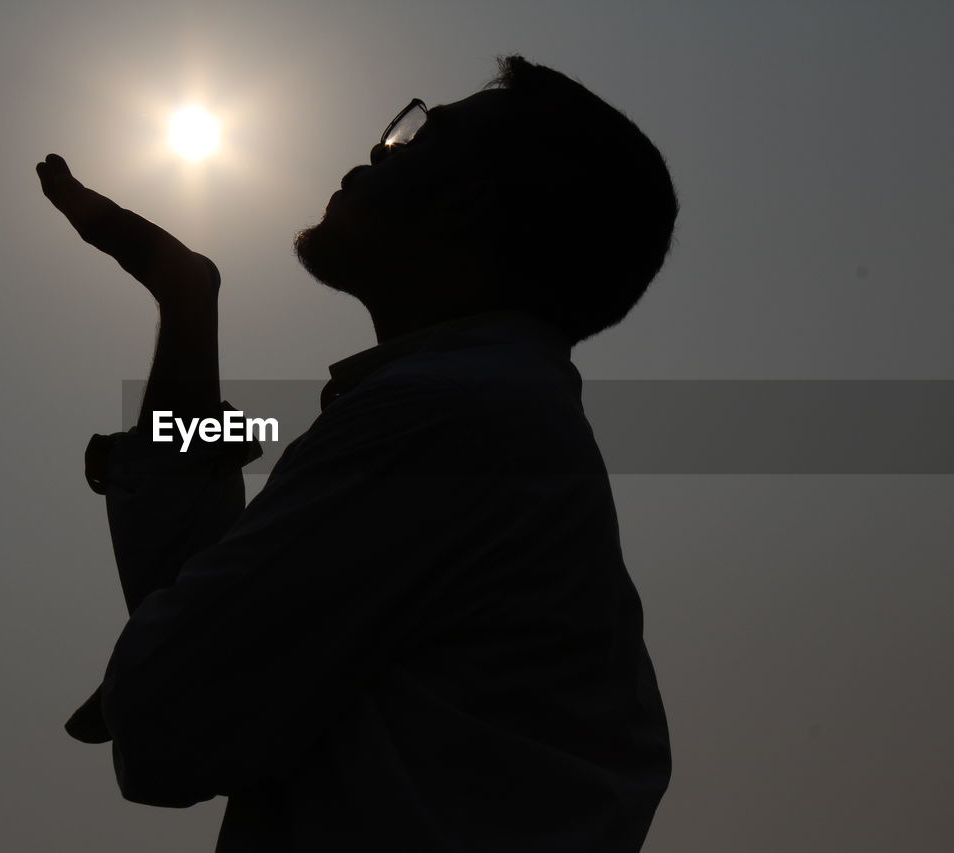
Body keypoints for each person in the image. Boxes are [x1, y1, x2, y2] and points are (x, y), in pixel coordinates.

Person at [36, 54, 677, 852]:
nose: (372, 156)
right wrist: (187, 304)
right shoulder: (483, 417)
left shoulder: (442, 419)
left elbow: (170, 720)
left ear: (469, 204)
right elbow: (211, 632)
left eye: (418, 140)